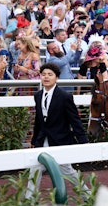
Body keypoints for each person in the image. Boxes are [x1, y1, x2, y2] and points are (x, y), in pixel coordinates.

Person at [25, 63, 89, 199]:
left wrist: (83, 141)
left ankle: (87, 196)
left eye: (50, 75)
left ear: (56, 78)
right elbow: (38, 120)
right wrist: (34, 139)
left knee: (68, 172)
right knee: (34, 171)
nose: (46, 77)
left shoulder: (65, 96)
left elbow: (75, 120)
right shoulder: (38, 95)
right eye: (43, 75)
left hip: (60, 141)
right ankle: (29, 200)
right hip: (42, 141)